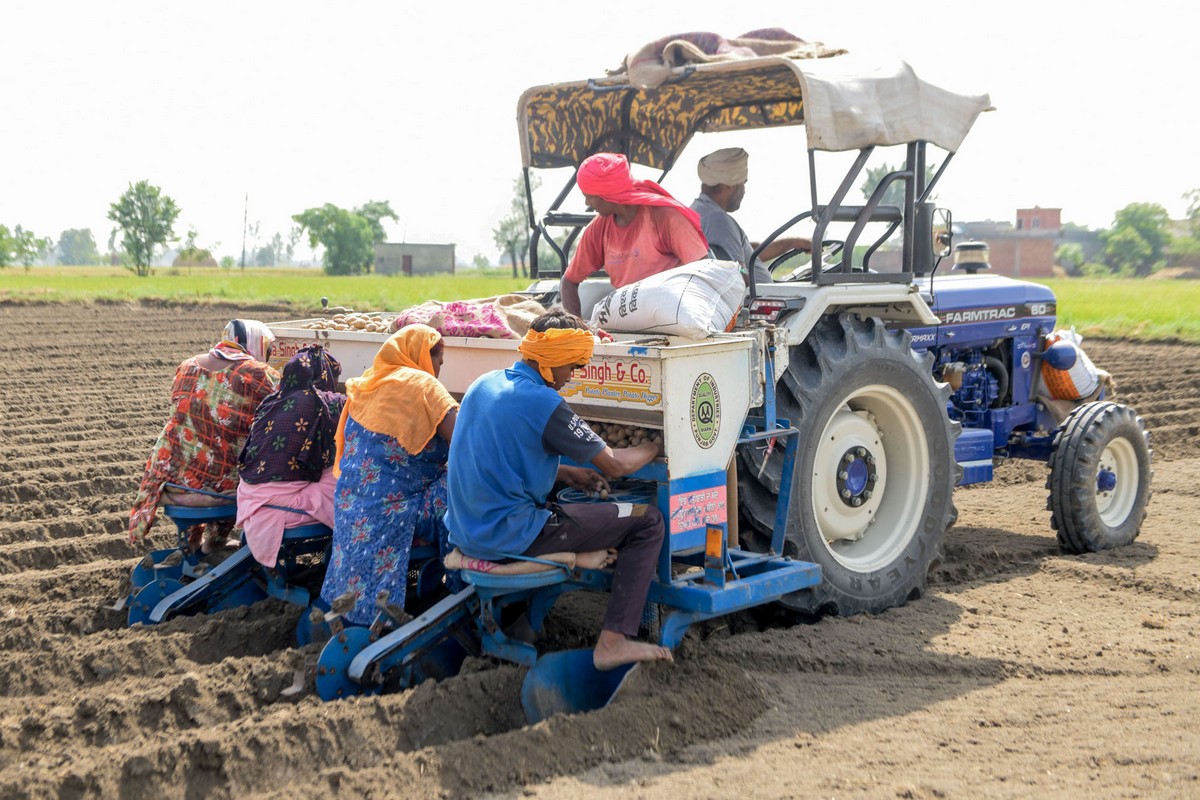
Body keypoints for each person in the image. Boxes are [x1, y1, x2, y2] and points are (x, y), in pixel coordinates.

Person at [446, 308, 673, 670]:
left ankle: (527, 621)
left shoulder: (483, 384)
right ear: (552, 363)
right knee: (647, 521)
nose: (573, 376)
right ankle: (613, 642)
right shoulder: (545, 403)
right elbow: (614, 464)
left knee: (574, 508)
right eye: (573, 367)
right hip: (506, 535)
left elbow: (500, 460)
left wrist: (566, 473)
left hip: (466, 528)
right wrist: (659, 445)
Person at [318, 324, 458, 626]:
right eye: (438, 361)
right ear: (423, 356)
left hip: (352, 507)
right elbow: (466, 443)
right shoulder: (424, 386)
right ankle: (460, 584)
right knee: (461, 487)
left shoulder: (367, 384)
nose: (439, 370)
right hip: (396, 510)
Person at [129, 319, 280, 551]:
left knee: (200, 446)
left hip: (171, 473)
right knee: (248, 464)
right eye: (267, 350)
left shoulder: (186, 365)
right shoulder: (257, 374)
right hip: (217, 482)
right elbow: (281, 408)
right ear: (256, 343)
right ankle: (215, 542)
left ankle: (191, 545)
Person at [561, 152, 710, 317]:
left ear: (606, 193)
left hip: (672, 316)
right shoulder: (598, 229)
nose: (587, 203)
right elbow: (568, 281)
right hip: (627, 318)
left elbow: (704, 271)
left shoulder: (665, 217)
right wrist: (576, 326)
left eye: (589, 196)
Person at [235, 345, 346, 568]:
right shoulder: (327, 403)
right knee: (349, 478)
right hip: (277, 503)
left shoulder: (271, 400)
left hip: (248, 495)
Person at [691, 147, 812, 285]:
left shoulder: (702, 211)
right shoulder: (718, 221)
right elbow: (737, 272)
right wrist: (743, 271)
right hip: (755, 304)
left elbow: (745, 254)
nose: (744, 190)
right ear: (731, 185)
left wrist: (794, 242)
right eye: (743, 183)